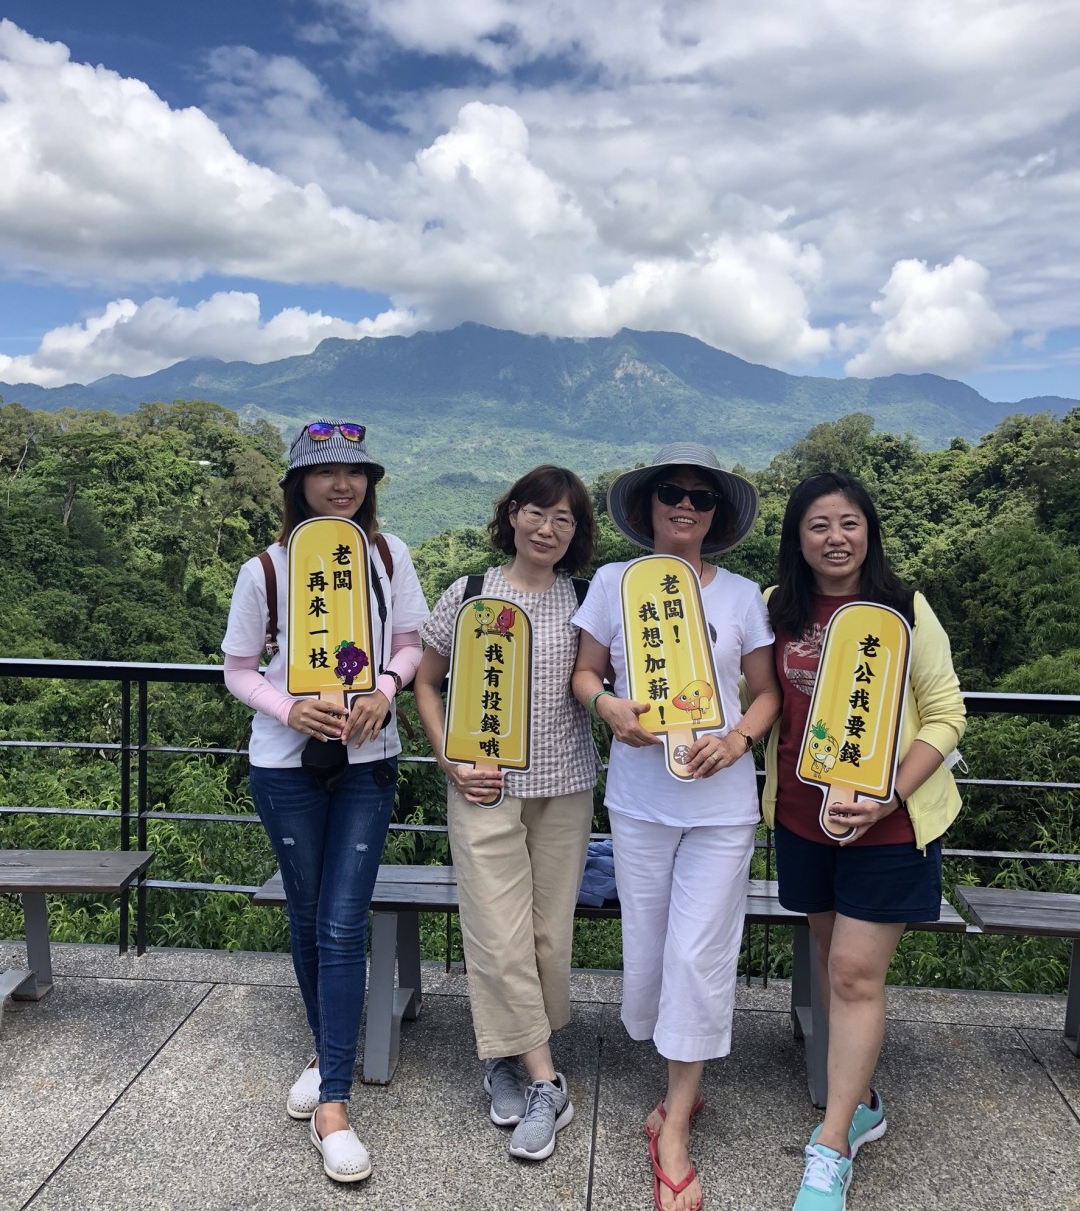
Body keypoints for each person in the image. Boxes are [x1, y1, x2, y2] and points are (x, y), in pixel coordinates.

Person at [571, 443, 781, 1211]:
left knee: (698, 955)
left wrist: (739, 739)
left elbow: (765, 692)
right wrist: (608, 706)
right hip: (639, 801)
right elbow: (585, 672)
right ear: (648, 505)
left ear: (716, 514)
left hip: (721, 808)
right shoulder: (613, 583)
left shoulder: (742, 596)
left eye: (702, 496)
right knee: (653, 953)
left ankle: (676, 1130)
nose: (686, 505)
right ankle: (678, 1088)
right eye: (672, 492)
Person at [221, 420, 428, 1184]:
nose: (342, 484)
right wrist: (288, 708)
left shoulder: (387, 554)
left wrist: (386, 688)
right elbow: (238, 668)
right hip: (285, 768)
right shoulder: (266, 569)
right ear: (297, 485)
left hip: (368, 762)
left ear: (369, 482)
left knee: (342, 922)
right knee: (309, 917)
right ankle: (327, 1051)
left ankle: (332, 1102)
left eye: (355, 471)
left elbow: (410, 642)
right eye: (324, 471)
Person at [762, 472, 965, 1211]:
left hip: (891, 825)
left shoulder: (905, 607)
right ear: (798, 538)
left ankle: (833, 1144)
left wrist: (890, 795)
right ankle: (862, 1101)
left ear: (869, 530)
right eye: (818, 525)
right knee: (831, 961)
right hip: (802, 817)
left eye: (849, 522)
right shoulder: (775, 608)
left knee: (852, 972)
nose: (836, 538)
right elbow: (753, 695)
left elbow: (946, 714)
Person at [413, 466, 598, 1162]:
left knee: (547, 936)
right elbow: (426, 682)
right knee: (497, 934)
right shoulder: (469, 594)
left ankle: (505, 1058)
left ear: (576, 533)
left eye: (564, 519)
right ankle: (547, 1082)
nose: (548, 529)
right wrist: (449, 759)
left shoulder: (586, 600)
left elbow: (605, 677)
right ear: (512, 514)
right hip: (482, 787)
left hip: (566, 787)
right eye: (537, 513)